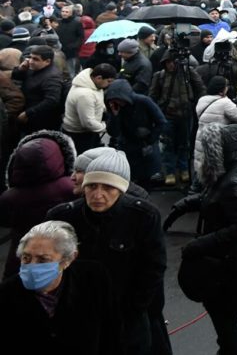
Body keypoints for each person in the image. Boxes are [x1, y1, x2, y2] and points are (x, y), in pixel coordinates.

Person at [46, 151, 169, 354]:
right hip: (79, 319)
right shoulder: (62, 217)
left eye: (108, 188)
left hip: (127, 320)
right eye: (92, 186)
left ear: (121, 190)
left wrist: (132, 310)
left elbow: (153, 268)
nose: (98, 195)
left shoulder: (143, 216)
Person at [163, 124, 237, 354]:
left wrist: (199, 245)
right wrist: (185, 205)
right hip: (231, 265)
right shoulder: (236, 169)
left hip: (228, 269)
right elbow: (217, 198)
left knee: (227, 328)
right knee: (226, 328)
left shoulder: (234, 181)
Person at [0, 220, 121, 353]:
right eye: (26, 258)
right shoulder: (6, 294)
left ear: (68, 259)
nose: (32, 266)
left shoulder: (94, 278)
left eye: (43, 260)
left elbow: (111, 333)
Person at [0, 130, 77, 277]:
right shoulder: (71, 188)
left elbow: (5, 221)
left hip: (21, 252)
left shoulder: (9, 198)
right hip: (60, 250)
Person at [150, 51, 206, 186]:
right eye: (168, 62)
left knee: (184, 143)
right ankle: (169, 171)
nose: (171, 65)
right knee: (167, 144)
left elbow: (201, 89)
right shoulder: (160, 76)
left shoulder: (188, 73)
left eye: (173, 62)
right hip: (167, 115)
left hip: (186, 115)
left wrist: (195, 105)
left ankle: (184, 169)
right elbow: (153, 95)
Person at [105, 78, 167, 187]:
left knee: (145, 181)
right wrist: (114, 115)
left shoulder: (143, 101)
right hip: (127, 148)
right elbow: (113, 132)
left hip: (145, 147)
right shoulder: (116, 108)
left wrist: (151, 138)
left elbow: (161, 121)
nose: (117, 102)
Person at [13, 44, 66, 137]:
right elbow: (16, 77)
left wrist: (28, 113)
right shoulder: (33, 68)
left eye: (35, 59)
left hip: (42, 122)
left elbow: (52, 100)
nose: (31, 61)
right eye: (30, 57)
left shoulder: (52, 77)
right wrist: (20, 69)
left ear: (47, 61)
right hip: (31, 117)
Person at [61, 63, 116, 153]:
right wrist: (105, 127)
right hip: (79, 136)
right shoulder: (85, 95)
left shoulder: (92, 84)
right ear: (99, 78)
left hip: (89, 131)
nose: (109, 84)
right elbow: (88, 123)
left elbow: (97, 101)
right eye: (109, 81)